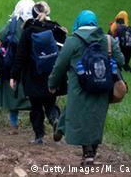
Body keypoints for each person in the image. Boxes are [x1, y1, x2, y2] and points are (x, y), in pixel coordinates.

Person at [48, 10, 124, 166]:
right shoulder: (107, 40)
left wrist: (52, 84)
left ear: (78, 23)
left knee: (80, 117)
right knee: (96, 118)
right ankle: (91, 153)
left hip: (79, 88)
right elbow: (121, 61)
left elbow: (60, 65)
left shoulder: (72, 41)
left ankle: (87, 152)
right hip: (103, 86)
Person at [10, 1, 67, 144]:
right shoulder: (56, 28)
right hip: (51, 74)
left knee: (35, 105)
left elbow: (20, 55)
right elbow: (63, 52)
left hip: (32, 74)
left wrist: (14, 75)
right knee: (50, 102)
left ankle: (39, 136)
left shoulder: (29, 29)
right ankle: (55, 118)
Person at [0, 0, 34, 135]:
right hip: (31, 65)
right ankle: (37, 126)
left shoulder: (14, 23)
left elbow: (1, 35)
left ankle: (14, 124)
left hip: (13, 64)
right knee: (34, 97)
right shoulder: (36, 23)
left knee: (12, 95)